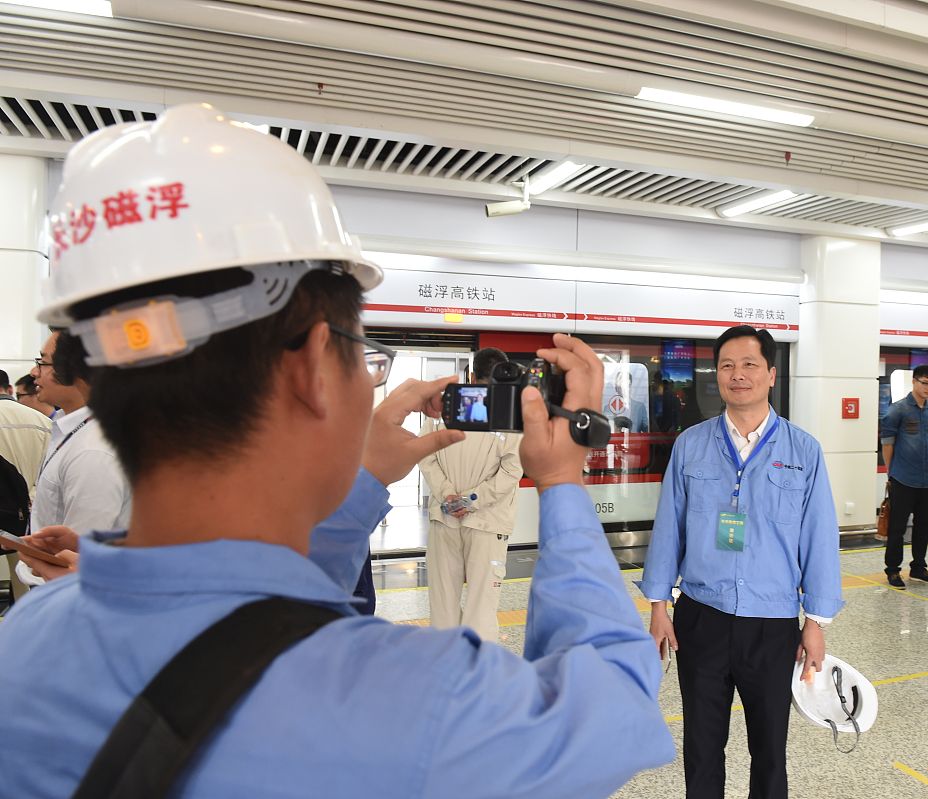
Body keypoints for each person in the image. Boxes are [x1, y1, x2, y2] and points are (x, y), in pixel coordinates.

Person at [0, 103, 673, 798]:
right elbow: (618, 693)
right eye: (364, 355)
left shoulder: (27, 639)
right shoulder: (421, 704)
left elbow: (254, 611)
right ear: (313, 368)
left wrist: (362, 481)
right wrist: (562, 478)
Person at [640, 325, 843, 799]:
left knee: (770, 750)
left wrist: (815, 621)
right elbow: (669, 526)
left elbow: (818, 537)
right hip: (701, 617)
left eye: (750, 364)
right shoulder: (691, 444)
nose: (737, 375)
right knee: (702, 745)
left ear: (771, 374)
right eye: (727, 365)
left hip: (771, 624)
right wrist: (657, 607)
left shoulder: (803, 451)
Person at [419, 347, 523, 642]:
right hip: (488, 524)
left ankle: (446, 674)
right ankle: (480, 678)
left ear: (471, 375)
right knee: (481, 609)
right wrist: (472, 500)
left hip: (444, 518)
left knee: (443, 608)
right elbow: (512, 470)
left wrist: (449, 496)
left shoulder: (442, 410)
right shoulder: (509, 414)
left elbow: (425, 457)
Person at [15, 330, 131, 591]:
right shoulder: (75, 432)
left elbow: (78, 558)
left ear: (74, 369)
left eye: (43, 362)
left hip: (63, 593)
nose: (34, 372)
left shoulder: (94, 449)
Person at [880, 364, 928, 588]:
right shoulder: (897, 410)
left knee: (924, 525)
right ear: (915, 382)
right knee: (897, 527)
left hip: (927, 478)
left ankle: (918, 567)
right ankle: (893, 570)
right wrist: (892, 472)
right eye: (925, 383)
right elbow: (887, 444)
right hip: (902, 478)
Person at [0, 377, 52, 604]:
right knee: (25, 576)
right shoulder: (42, 421)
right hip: (32, 511)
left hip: (4, 509)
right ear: (9, 388)